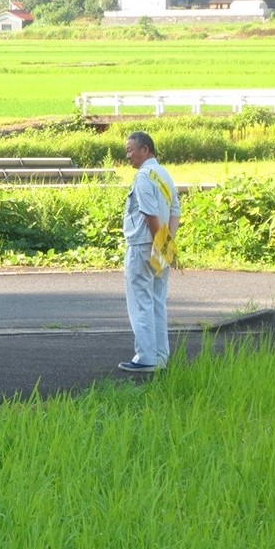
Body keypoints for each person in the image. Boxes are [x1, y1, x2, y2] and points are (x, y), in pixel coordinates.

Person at [120, 131, 181, 373]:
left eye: (130, 150)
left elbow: (149, 214)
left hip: (142, 245)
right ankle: (160, 356)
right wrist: (167, 244)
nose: (128, 155)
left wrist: (161, 243)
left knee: (141, 301)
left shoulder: (144, 176)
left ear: (145, 149)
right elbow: (175, 211)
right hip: (160, 245)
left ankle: (145, 358)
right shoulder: (164, 175)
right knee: (157, 301)